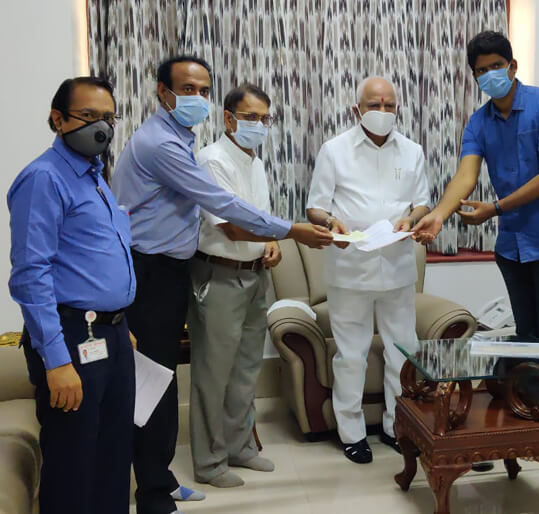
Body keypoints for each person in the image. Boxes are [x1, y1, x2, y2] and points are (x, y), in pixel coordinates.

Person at [111, 55, 333, 514]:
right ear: (162, 91)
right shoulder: (178, 150)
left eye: (203, 90)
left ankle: (182, 469)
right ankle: (186, 470)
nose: (198, 99)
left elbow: (245, 218)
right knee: (178, 376)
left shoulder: (220, 151)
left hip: (207, 271)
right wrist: (290, 231)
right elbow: (226, 213)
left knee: (228, 370)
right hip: (160, 270)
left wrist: (272, 244)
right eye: (187, 89)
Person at [413, 31, 539, 397]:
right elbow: (465, 176)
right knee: (525, 332)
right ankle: (529, 404)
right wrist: (440, 214)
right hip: (511, 244)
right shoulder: (479, 122)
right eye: (482, 70)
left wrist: (496, 208)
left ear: (513, 66)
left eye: (497, 66)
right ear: (474, 77)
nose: (490, 75)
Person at [8, 76, 136, 513]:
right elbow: (30, 274)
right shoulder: (44, 178)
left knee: (116, 455)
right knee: (74, 462)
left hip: (111, 334)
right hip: (69, 337)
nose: (101, 127)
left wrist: (120, 324)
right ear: (57, 119)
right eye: (88, 117)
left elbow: (96, 260)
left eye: (108, 118)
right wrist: (57, 360)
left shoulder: (95, 177)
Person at [306, 76, 431, 464]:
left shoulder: (412, 151)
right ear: (356, 109)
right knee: (351, 355)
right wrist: (330, 223)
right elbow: (315, 206)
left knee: (403, 353)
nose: (382, 112)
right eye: (374, 105)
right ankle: (352, 432)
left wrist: (412, 218)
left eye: (389, 105)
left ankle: (398, 428)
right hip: (350, 268)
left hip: (396, 267)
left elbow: (422, 203)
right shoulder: (334, 150)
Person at [187, 83, 281, 488]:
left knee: (246, 369)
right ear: (228, 119)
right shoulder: (212, 160)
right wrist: (287, 232)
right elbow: (227, 223)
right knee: (214, 373)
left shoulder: (255, 161)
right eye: (250, 118)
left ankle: (242, 447)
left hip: (254, 274)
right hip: (219, 274)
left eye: (264, 118)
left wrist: (273, 242)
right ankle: (209, 463)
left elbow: (259, 218)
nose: (258, 125)